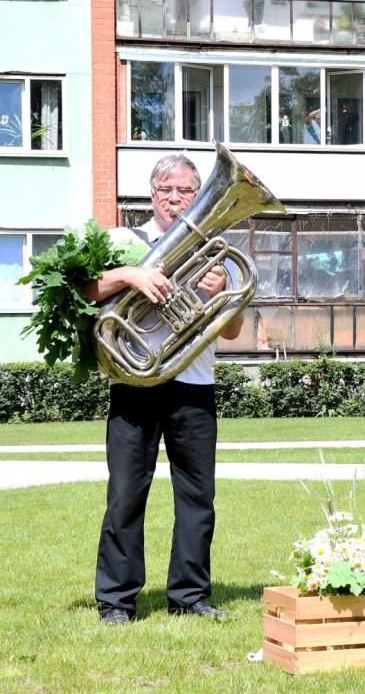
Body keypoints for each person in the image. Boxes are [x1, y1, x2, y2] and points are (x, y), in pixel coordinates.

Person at [84, 154, 243, 626]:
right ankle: (116, 601)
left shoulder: (216, 252)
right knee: (125, 494)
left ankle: (190, 596)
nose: (175, 199)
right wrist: (130, 275)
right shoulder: (122, 241)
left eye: (186, 191)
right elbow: (88, 289)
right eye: (165, 190)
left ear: (198, 194)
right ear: (151, 194)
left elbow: (232, 331)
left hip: (193, 386)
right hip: (134, 383)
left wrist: (218, 294)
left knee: (197, 497)